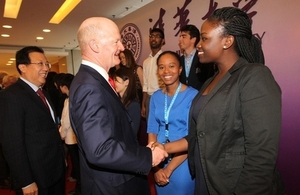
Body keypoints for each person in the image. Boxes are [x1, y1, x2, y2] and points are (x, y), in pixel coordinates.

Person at [153, 7, 284, 194]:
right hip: (204, 180)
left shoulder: (254, 76)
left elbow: (261, 154)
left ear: (227, 41)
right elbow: (199, 136)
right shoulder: (210, 81)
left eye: (205, 38)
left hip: (233, 185)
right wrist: (162, 148)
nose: (198, 44)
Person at [69, 17, 168, 195]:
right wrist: (148, 157)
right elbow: (100, 149)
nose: (122, 47)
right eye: (116, 41)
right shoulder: (88, 86)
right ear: (95, 45)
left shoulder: (96, 80)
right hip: (112, 186)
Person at [0, 46, 65, 195]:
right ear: (23, 67)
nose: (46, 68)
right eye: (40, 64)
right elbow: (12, 144)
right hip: (36, 177)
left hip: (55, 171)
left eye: (46, 64)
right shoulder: (11, 96)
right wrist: (26, 181)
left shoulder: (43, 93)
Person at [147, 51, 198, 194]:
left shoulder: (193, 96)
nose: (166, 71)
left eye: (171, 66)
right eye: (161, 67)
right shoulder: (156, 97)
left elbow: (192, 138)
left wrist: (168, 169)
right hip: (159, 161)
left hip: (182, 161)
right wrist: (156, 167)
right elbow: (152, 131)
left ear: (180, 69)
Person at [57, 73, 81, 195]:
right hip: (78, 137)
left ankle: (79, 190)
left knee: (77, 165)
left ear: (64, 86)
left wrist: (61, 134)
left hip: (71, 138)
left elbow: (66, 122)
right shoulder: (77, 97)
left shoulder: (69, 100)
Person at [178, 24, 215, 90]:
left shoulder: (204, 58)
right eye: (180, 36)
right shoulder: (179, 60)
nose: (180, 39)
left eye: (183, 37)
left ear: (193, 39)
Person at [142, 28, 165, 120]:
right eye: (151, 36)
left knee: (162, 125)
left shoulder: (165, 58)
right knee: (151, 127)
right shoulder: (146, 61)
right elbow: (145, 84)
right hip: (149, 98)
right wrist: (144, 103)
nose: (153, 39)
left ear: (163, 41)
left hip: (162, 96)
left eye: (157, 36)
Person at [114, 67, 141, 135]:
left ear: (126, 82)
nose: (114, 83)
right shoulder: (118, 100)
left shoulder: (134, 106)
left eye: (116, 80)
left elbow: (132, 132)